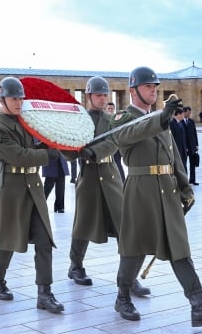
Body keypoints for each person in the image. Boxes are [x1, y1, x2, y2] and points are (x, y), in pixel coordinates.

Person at [105, 66, 202, 327]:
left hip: (167, 188)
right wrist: (162, 116)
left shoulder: (160, 119)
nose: (153, 90)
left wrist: (186, 189)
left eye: (155, 87)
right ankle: (122, 296)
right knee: (134, 248)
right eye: (148, 86)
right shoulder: (121, 118)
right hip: (140, 190)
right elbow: (129, 135)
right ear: (133, 90)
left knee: (179, 249)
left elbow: (173, 156)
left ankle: (199, 306)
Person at [65, 76, 150, 296]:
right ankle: (75, 266)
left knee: (125, 226)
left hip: (109, 173)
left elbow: (114, 142)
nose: (103, 99)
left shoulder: (113, 119)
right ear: (89, 96)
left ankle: (129, 278)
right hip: (88, 176)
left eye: (105, 95)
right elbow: (69, 149)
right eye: (99, 95)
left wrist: (93, 151)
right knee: (82, 224)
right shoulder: (77, 119)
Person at [0, 77, 64, 313]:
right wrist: (48, 155)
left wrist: (54, 143)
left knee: (44, 241)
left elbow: (34, 147)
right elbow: (19, 155)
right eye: (14, 98)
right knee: (7, 239)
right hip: (10, 187)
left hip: (33, 184)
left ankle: (45, 292)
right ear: (2, 99)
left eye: (21, 98)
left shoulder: (25, 122)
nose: (19, 102)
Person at [183, 106, 199, 185]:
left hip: (192, 146)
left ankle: (192, 180)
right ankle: (185, 180)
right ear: (184, 112)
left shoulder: (191, 121)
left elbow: (194, 133)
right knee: (184, 164)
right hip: (184, 146)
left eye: (190, 113)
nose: (189, 114)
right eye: (188, 113)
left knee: (192, 164)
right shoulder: (180, 121)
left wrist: (196, 144)